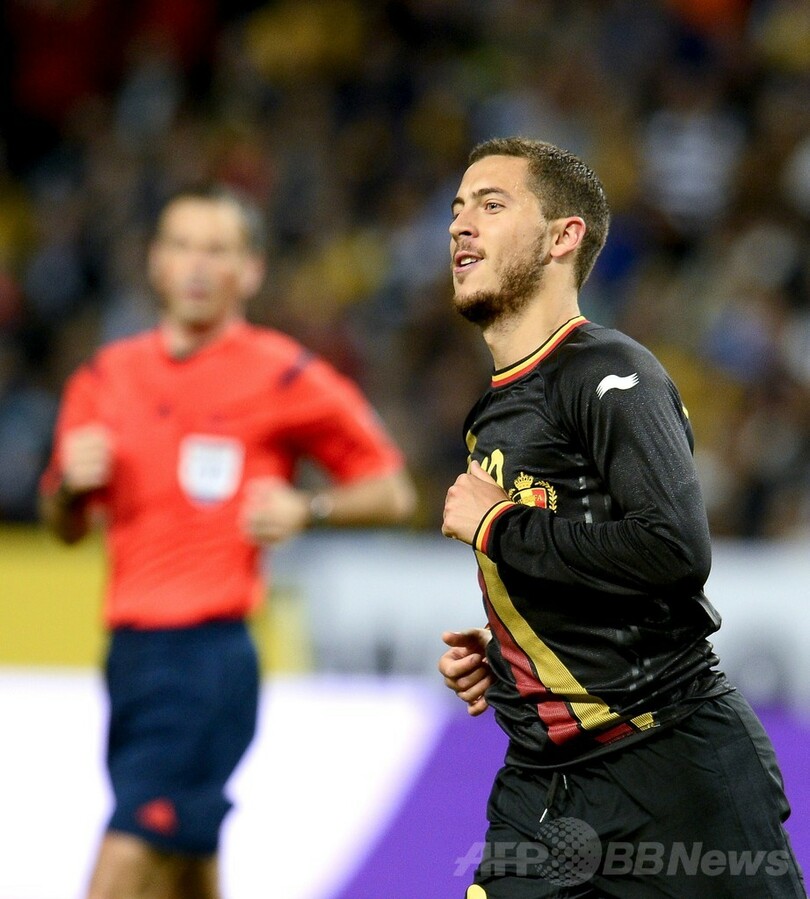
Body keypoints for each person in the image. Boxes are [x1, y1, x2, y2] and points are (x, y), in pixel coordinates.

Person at [438, 137, 806, 898]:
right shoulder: (494, 412)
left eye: (492, 205)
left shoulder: (610, 372)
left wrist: (499, 528)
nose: (460, 225)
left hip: (672, 766)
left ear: (563, 237)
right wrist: (515, 647)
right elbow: (586, 551)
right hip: (544, 784)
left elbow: (672, 549)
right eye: (458, 208)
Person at [39, 184, 416, 899]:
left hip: (207, 657)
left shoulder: (281, 372)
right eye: (181, 245)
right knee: (184, 860)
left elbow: (392, 489)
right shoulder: (105, 377)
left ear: (251, 271)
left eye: (217, 250)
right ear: (154, 261)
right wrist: (66, 489)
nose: (197, 265)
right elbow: (65, 530)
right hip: (130, 657)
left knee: (128, 855)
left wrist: (310, 507)